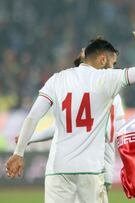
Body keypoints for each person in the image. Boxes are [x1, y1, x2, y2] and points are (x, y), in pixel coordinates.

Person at [5, 16, 135, 203]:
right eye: (112, 63)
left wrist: (18, 153)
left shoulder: (56, 79)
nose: (113, 67)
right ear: (102, 59)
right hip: (90, 169)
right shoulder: (107, 79)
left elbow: (33, 116)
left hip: (57, 169)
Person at [14, 52, 126, 203]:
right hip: (100, 166)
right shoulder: (112, 95)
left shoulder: (99, 94)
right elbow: (116, 131)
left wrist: (30, 139)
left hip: (88, 164)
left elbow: (55, 126)